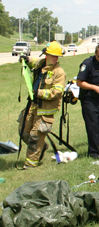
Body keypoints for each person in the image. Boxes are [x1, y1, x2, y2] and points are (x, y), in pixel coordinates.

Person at [19, 41, 66, 169]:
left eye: (56, 56)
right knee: (23, 131)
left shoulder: (59, 72)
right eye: (52, 55)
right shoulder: (41, 64)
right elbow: (33, 62)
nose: (54, 58)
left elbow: (56, 92)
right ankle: (42, 147)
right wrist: (26, 59)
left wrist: (38, 92)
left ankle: (31, 163)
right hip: (33, 105)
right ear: (46, 55)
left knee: (35, 136)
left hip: (45, 110)